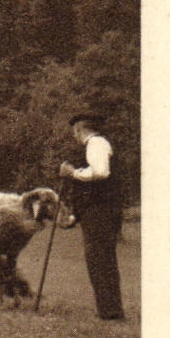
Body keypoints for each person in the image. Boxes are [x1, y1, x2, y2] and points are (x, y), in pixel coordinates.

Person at [59, 111, 124, 321]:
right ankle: (107, 309)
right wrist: (75, 216)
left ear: (80, 130)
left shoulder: (97, 144)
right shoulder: (93, 146)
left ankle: (110, 311)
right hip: (96, 212)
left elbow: (101, 173)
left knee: (101, 259)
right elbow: (87, 191)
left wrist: (73, 173)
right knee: (98, 260)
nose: (74, 136)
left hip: (101, 213)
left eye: (75, 132)